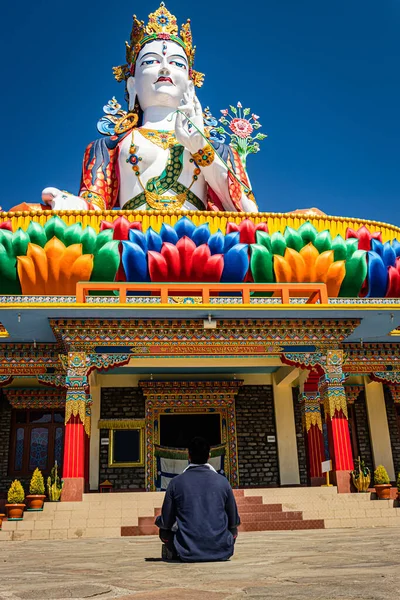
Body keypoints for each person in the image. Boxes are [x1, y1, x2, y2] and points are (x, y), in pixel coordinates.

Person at [44, 3, 258, 213]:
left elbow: (249, 212)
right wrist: (70, 204)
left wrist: (200, 148)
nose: (164, 67)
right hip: (131, 240)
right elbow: (93, 205)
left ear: (190, 86)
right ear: (132, 84)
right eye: (151, 61)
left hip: (199, 242)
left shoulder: (219, 151)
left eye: (177, 63)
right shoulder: (107, 148)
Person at [155, 436, 240, 562]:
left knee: (164, 532)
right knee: (233, 530)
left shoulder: (175, 483)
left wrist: (158, 521)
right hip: (221, 549)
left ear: (189, 456)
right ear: (209, 456)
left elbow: (166, 522)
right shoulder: (223, 482)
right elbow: (234, 521)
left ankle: (177, 551)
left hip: (187, 550)